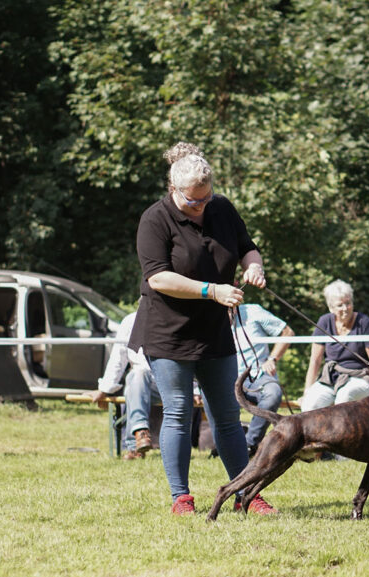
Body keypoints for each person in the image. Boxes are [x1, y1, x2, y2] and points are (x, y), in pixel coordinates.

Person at [128, 141, 275, 516]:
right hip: (168, 330)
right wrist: (213, 290)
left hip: (214, 331)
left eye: (205, 198)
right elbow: (158, 278)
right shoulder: (154, 219)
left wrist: (253, 265)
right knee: (177, 411)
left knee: (227, 415)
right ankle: (181, 498)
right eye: (193, 201)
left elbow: (247, 246)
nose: (200, 207)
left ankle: (247, 494)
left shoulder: (221, 208)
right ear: (173, 190)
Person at [87, 305, 159, 460]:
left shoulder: (174, 318)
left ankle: (134, 446)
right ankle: (140, 435)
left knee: (133, 383)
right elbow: (118, 359)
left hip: (171, 383)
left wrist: (194, 388)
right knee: (136, 376)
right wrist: (105, 389)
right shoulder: (130, 321)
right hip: (140, 383)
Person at [300, 279, 369, 412]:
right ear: (331, 308)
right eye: (340, 305)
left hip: (359, 378)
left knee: (344, 397)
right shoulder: (324, 321)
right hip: (331, 378)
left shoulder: (364, 322)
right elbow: (315, 360)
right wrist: (307, 391)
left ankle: (342, 433)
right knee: (310, 404)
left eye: (348, 303)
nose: (345, 309)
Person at [231, 303, 294, 457]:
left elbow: (288, 332)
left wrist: (272, 358)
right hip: (224, 378)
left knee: (273, 393)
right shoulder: (207, 318)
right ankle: (226, 445)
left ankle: (249, 444)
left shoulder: (253, 311)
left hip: (256, 376)